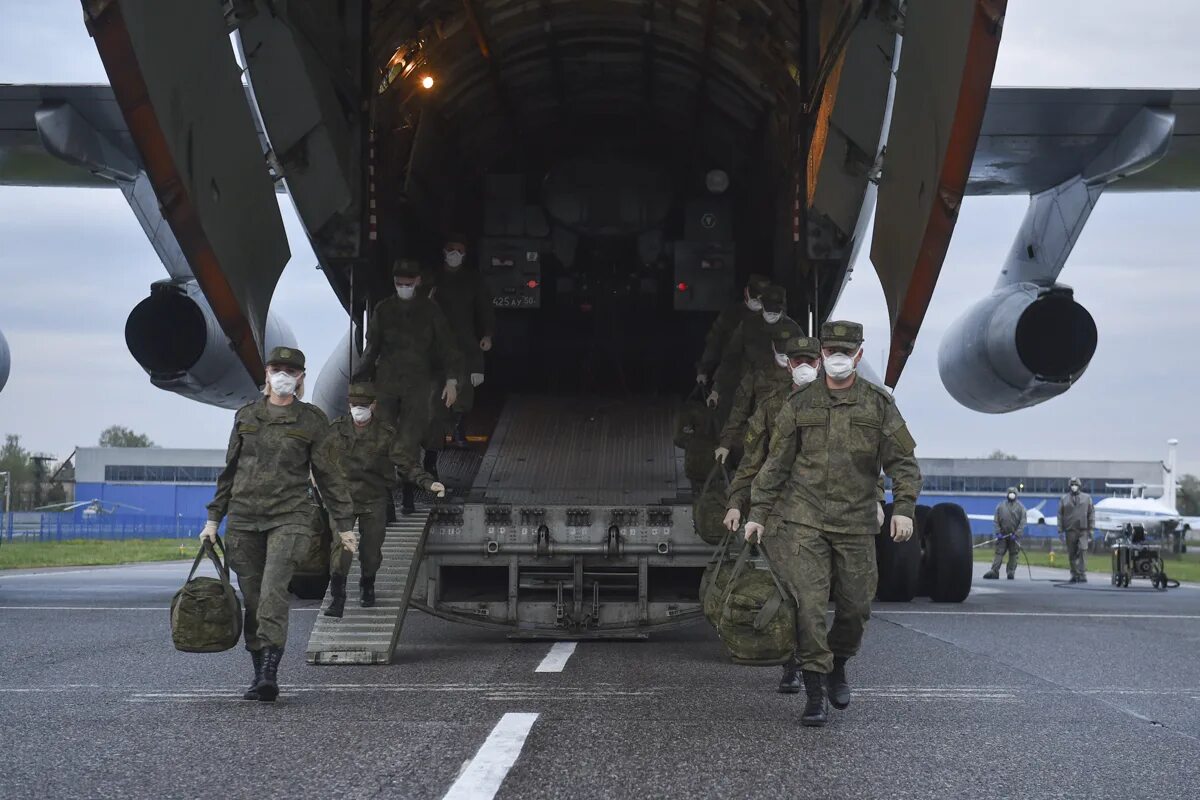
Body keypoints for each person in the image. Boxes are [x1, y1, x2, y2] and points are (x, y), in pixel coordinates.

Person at [746, 320, 922, 727]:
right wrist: (757, 514)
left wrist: (904, 508)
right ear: (822, 353)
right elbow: (775, 464)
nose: (837, 359)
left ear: (859, 354)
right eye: (831, 351)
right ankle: (813, 693)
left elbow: (904, 463)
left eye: (846, 351)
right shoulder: (800, 404)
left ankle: (838, 663)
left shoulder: (879, 405)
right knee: (808, 605)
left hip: (857, 523)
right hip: (804, 522)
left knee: (856, 607)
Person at [200, 346, 356, 702]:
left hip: (290, 516)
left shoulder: (312, 420)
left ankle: (270, 672)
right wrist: (213, 519)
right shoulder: (245, 416)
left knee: (273, 591)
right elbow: (229, 471)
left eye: (291, 369)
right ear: (266, 373)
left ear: (301, 376)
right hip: (243, 518)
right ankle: (258, 674)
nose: (283, 374)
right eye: (276, 368)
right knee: (253, 598)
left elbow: (329, 475)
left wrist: (344, 525)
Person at [721, 330, 821, 693]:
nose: (805, 367)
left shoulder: (844, 403)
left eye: (812, 361)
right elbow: (751, 462)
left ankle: (828, 666)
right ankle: (798, 667)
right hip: (782, 514)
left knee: (826, 599)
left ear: (820, 362)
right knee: (794, 592)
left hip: (830, 515)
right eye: (799, 361)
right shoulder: (771, 407)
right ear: (788, 364)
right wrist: (736, 503)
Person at [324, 383, 448, 617]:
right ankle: (337, 597)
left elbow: (406, 463)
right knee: (342, 549)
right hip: (343, 501)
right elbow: (319, 462)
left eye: (363, 406)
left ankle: (367, 583)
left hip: (373, 500)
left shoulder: (386, 434)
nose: (358, 410)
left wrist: (428, 483)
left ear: (373, 406)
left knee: (370, 553)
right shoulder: (335, 431)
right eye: (354, 405)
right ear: (348, 406)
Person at [353, 258, 464, 514]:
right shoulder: (383, 310)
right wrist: (359, 383)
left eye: (407, 283)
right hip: (387, 384)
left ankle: (407, 495)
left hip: (418, 384)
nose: (403, 287)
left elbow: (448, 348)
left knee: (410, 440)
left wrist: (451, 381)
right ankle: (388, 501)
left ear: (417, 282)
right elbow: (371, 350)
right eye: (398, 283)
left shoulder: (431, 311)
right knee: (383, 439)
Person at [428, 233, 496, 448]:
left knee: (464, 387)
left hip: (464, 339)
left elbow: (484, 308)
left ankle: (458, 429)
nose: (454, 254)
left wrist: (487, 334)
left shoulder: (472, 280)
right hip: (436, 339)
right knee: (435, 387)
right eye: (450, 249)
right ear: (443, 252)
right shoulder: (433, 278)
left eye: (459, 250)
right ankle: (438, 432)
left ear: (465, 254)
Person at [713, 317, 804, 466]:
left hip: (797, 445)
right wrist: (726, 443)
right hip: (761, 442)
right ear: (773, 345)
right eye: (780, 349)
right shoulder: (758, 372)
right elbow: (739, 409)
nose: (784, 355)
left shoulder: (807, 373)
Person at [708, 284, 795, 426]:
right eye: (768, 307)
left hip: (778, 391)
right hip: (744, 388)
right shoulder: (748, 326)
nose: (772, 312)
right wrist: (716, 389)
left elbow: (804, 361)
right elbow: (730, 358)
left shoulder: (793, 329)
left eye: (776, 308)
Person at [695, 274, 772, 425]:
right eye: (756, 296)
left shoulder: (774, 317)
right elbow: (714, 344)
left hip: (763, 380)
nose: (758, 300)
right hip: (733, 378)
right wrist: (703, 370)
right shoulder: (731, 315)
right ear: (746, 292)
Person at [1058, 477, 1095, 583]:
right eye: (1072, 485)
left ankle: (1082, 573)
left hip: (1083, 530)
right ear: (1069, 486)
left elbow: (1091, 514)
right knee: (1072, 553)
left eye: (1076, 485)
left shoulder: (1087, 498)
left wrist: (1091, 529)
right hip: (1070, 530)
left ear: (1079, 486)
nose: (1074, 487)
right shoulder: (1064, 499)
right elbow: (1060, 515)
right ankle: (1074, 573)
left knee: (1083, 550)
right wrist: (1060, 530)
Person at [984, 487, 1026, 580]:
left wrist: (1017, 534)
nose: (1011, 494)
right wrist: (998, 532)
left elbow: (1023, 522)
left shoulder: (1021, 508)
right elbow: (996, 520)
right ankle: (994, 571)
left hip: (1014, 536)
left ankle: (1011, 572)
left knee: (1013, 554)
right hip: (1002, 535)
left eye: (1013, 493)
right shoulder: (1000, 506)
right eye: (1010, 493)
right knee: (999, 552)